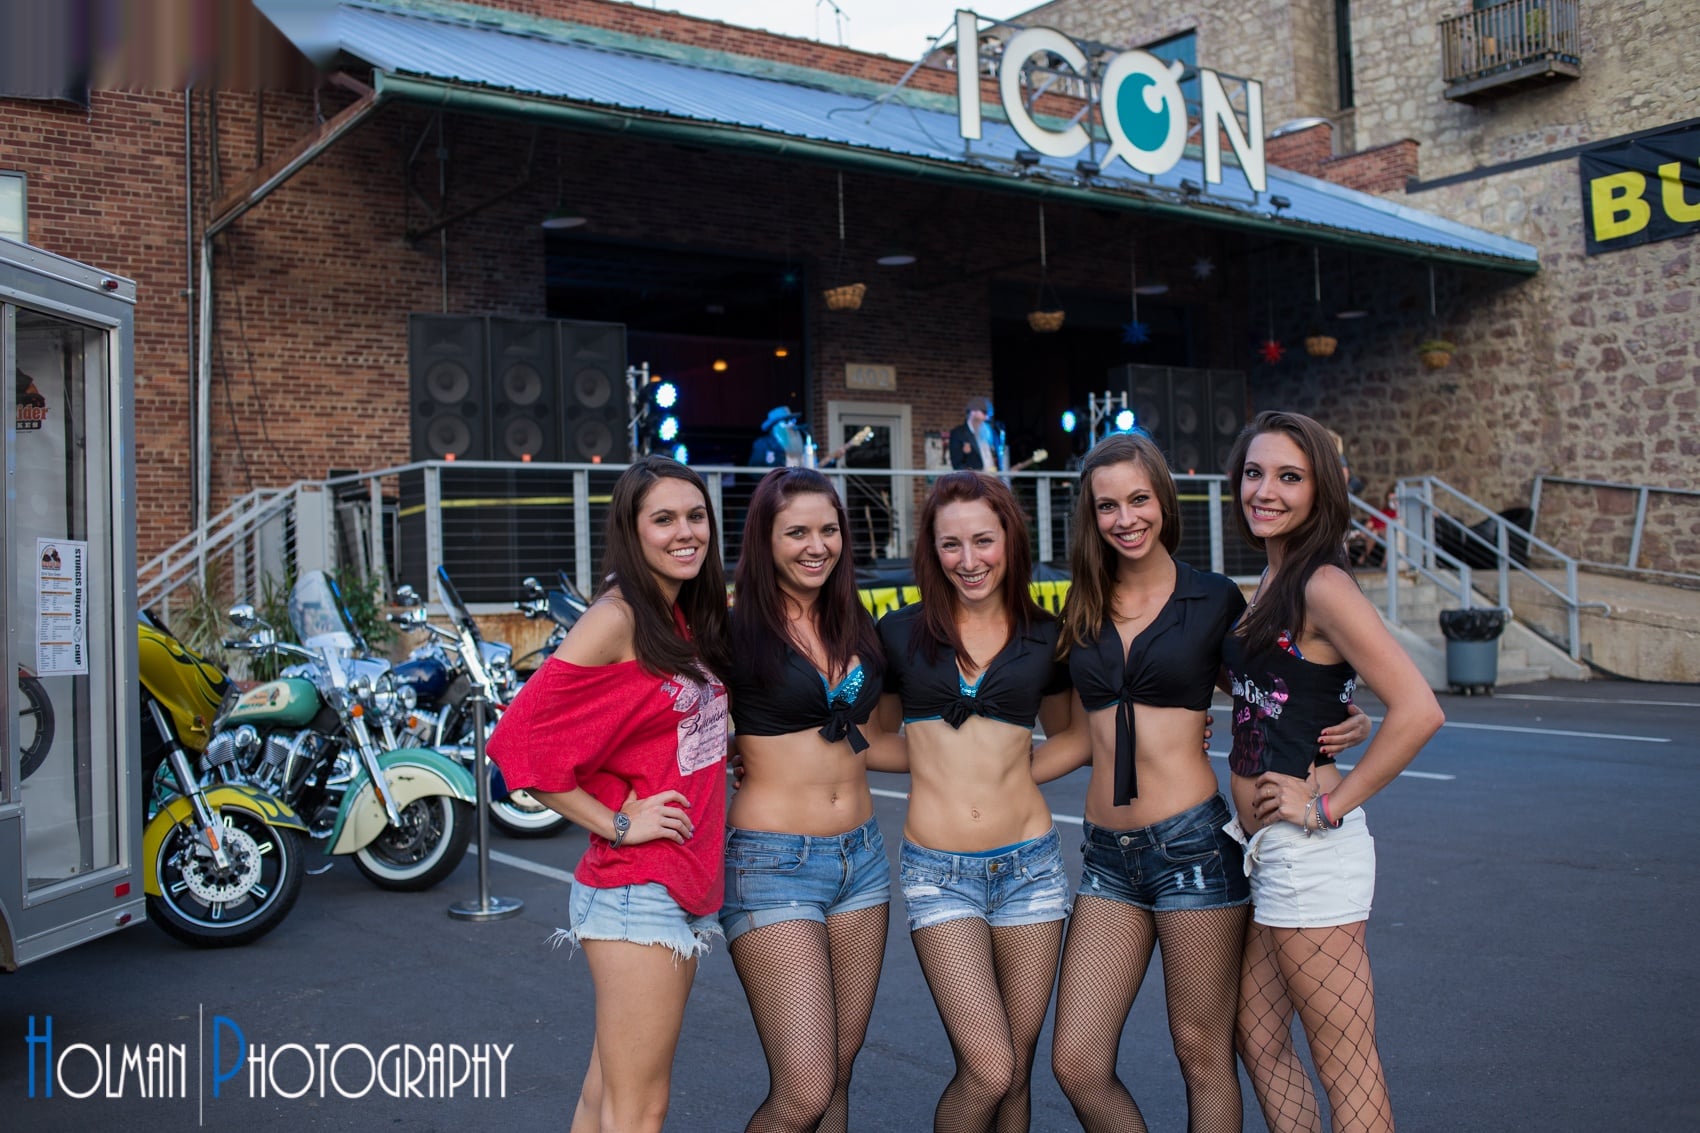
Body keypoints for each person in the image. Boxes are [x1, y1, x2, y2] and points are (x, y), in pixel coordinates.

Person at [1038, 432, 1370, 1133]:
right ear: (1089, 516)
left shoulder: (1215, 597)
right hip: (1107, 857)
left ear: (1164, 499)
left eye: (1138, 499)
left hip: (1192, 848)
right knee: (1076, 1060)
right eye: (1107, 506)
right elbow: (1072, 733)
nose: (1125, 518)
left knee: (1203, 1053)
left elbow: (1266, 685)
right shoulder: (1082, 605)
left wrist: (1344, 716)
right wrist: (984, 774)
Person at [485, 455, 733, 1133]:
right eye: (664, 519)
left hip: (672, 884)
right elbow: (517, 742)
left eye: (696, 516)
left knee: (606, 1099)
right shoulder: (617, 616)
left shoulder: (675, 614)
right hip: (636, 889)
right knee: (638, 1110)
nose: (685, 532)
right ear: (631, 529)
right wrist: (618, 822)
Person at [1224, 411, 1444, 1133]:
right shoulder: (1276, 575)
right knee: (1257, 1037)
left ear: (1321, 489)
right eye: (1255, 473)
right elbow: (1282, 684)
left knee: (1346, 1063)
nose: (1266, 490)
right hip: (1270, 851)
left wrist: (1327, 806)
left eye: (1289, 476)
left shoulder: (1321, 583)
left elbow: (1420, 709)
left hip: (1311, 853)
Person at [877, 470, 1074, 1132]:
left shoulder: (1045, 634)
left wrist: (1011, 766)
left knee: (1016, 1073)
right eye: (951, 544)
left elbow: (1072, 734)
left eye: (983, 541)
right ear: (931, 550)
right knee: (988, 1067)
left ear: (1010, 540)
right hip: (939, 873)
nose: (969, 560)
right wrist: (940, 758)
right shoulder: (897, 633)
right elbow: (866, 734)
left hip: (1031, 868)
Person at [722, 467, 905, 1133]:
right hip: (773, 863)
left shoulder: (856, 622)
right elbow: (662, 719)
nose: (816, 545)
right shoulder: (731, 631)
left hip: (863, 860)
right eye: (797, 531)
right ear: (765, 539)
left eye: (829, 530)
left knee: (840, 1070)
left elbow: (876, 738)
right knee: (804, 1089)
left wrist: (989, 756)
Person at [947, 396, 1000, 473]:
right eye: (984, 413)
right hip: (974, 479)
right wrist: (975, 476)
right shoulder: (958, 433)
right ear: (973, 411)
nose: (987, 418)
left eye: (989, 414)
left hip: (993, 478)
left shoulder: (991, 433)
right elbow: (957, 465)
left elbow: (996, 458)